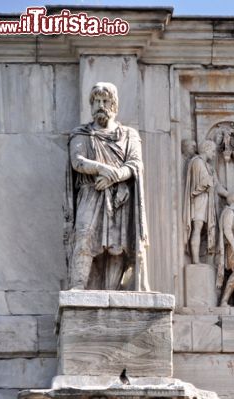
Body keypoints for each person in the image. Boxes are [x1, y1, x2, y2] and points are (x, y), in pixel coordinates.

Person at [64, 82, 149, 291]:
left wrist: (116, 175)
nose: (101, 105)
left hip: (120, 196)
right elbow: (77, 161)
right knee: (84, 235)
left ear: (114, 105)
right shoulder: (81, 134)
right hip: (90, 193)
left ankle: (112, 291)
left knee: (117, 246)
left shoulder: (129, 135)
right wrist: (102, 169)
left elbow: (136, 163)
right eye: (97, 101)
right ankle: (78, 286)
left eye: (105, 101)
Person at [183, 140, 228, 264]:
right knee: (197, 227)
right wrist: (212, 179)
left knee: (200, 228)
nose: (214, 155)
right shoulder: (197, 162)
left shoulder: (207, 165)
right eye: (213, 151)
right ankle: (195, 260)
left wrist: (229, 195)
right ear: (207, 149)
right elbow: (203, 182)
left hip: (206, 199)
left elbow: (216, 185)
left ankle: (198, 258)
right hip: (198, 199)